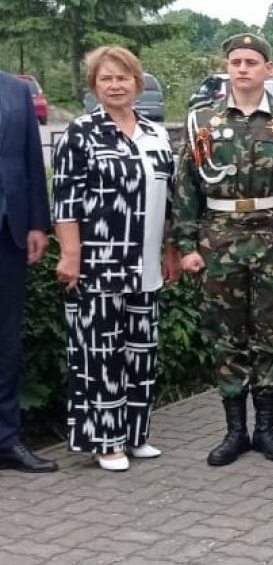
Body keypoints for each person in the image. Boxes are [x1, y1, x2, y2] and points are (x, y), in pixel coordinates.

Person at [173, 33, 273, 467]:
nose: (242, 68)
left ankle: (267, 430)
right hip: (218, 242)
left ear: (267, 68)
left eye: (251, 61)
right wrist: (185, 245)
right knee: (227, 338)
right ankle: (235, 431)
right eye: (235, 61)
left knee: (270, 338)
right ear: (227, 67)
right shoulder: (203, 121)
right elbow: (186, 187)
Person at [52, 46, 178, 471]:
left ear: (137, 83)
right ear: (94, 87)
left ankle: (135, 432)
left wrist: (170, 249)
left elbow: (168, 198)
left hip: (145, 264)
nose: (115, 85)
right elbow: (65, 202)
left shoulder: (155, 133)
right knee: (100, 353)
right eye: (106, 79)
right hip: (99, 263)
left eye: (123, 77)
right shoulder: (81, 133)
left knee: (141, 350)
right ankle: (106, 441)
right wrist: (71, 254)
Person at [0, 72, 54, 473]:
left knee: (6, 343)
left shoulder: (17, 90)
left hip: (10, 233)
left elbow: (33, 161)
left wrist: (38, 223)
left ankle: (6, 439)